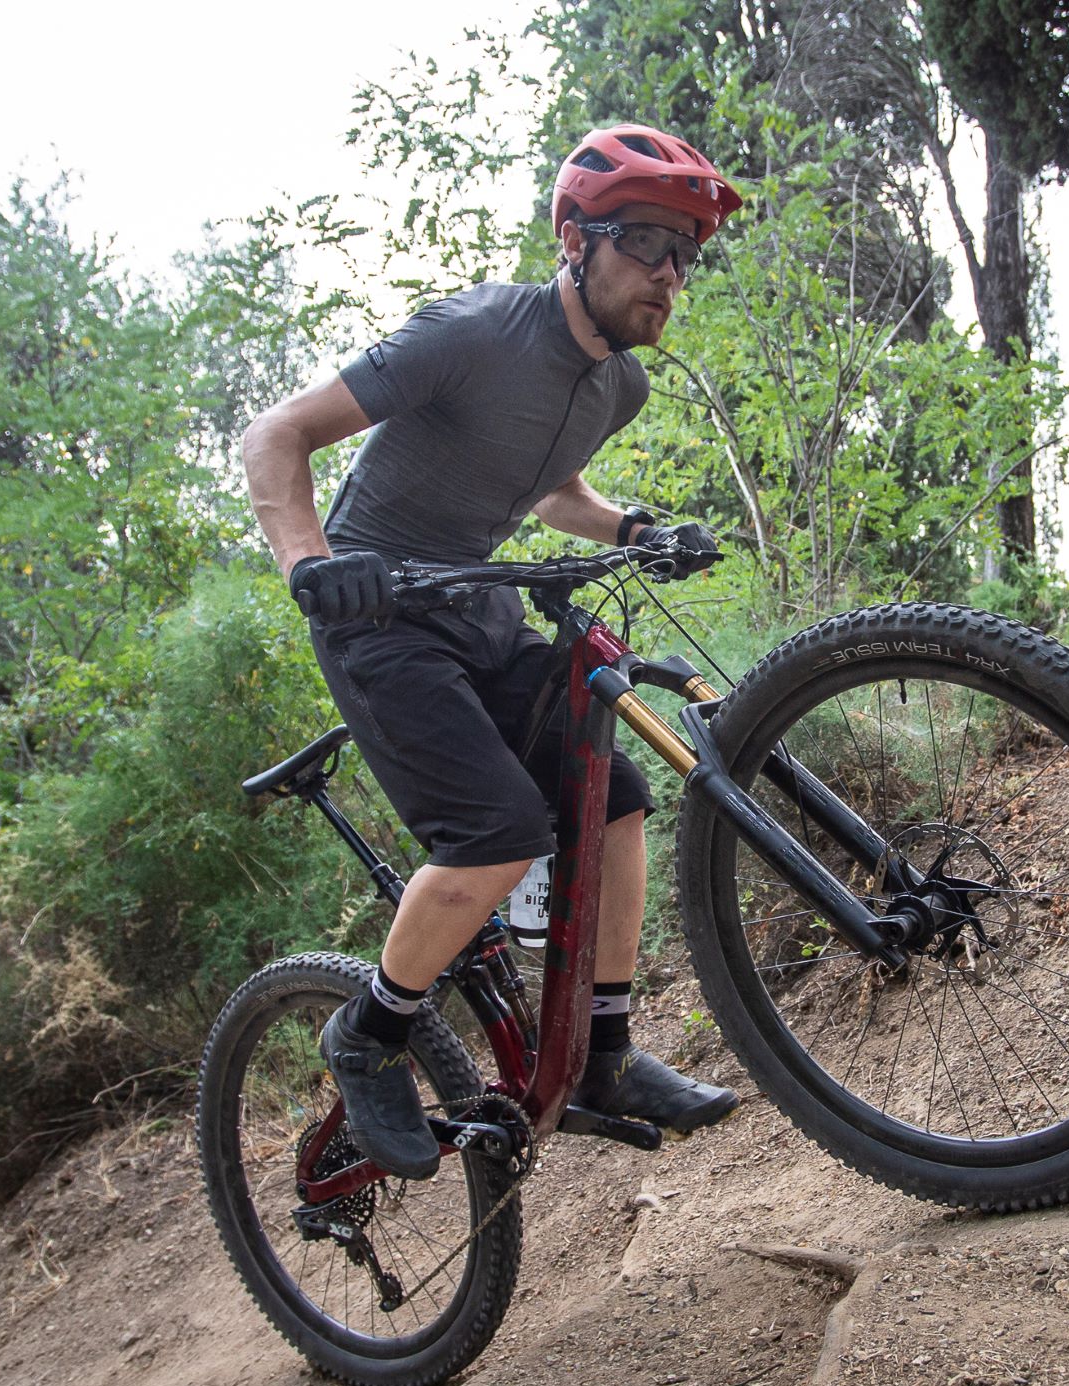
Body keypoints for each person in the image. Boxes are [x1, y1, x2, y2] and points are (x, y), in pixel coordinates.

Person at [239, 124, 745, 1180]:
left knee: (614, 798)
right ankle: (367, 1035)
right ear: (575, 240)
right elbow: (275, 435)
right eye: (645, 241)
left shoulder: (619, 386)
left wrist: (635, 529)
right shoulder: (470, 332)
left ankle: (604, 1054)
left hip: (478, 607)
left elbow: (555, 489)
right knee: (497, 833)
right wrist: (310, 564)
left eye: (684, 253)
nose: (668, 272)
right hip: (377, 615)